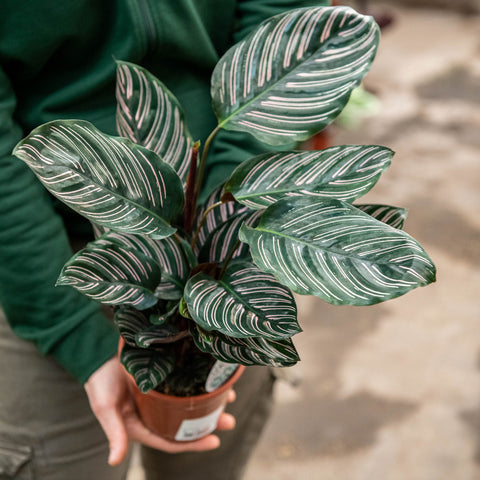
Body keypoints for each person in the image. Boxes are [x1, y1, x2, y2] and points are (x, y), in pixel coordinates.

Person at [0, 1, 329, 479]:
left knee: (211, 459)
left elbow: (279, 14)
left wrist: (227, 205)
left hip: (223, 236)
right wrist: (74, 332)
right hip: (40, 255)